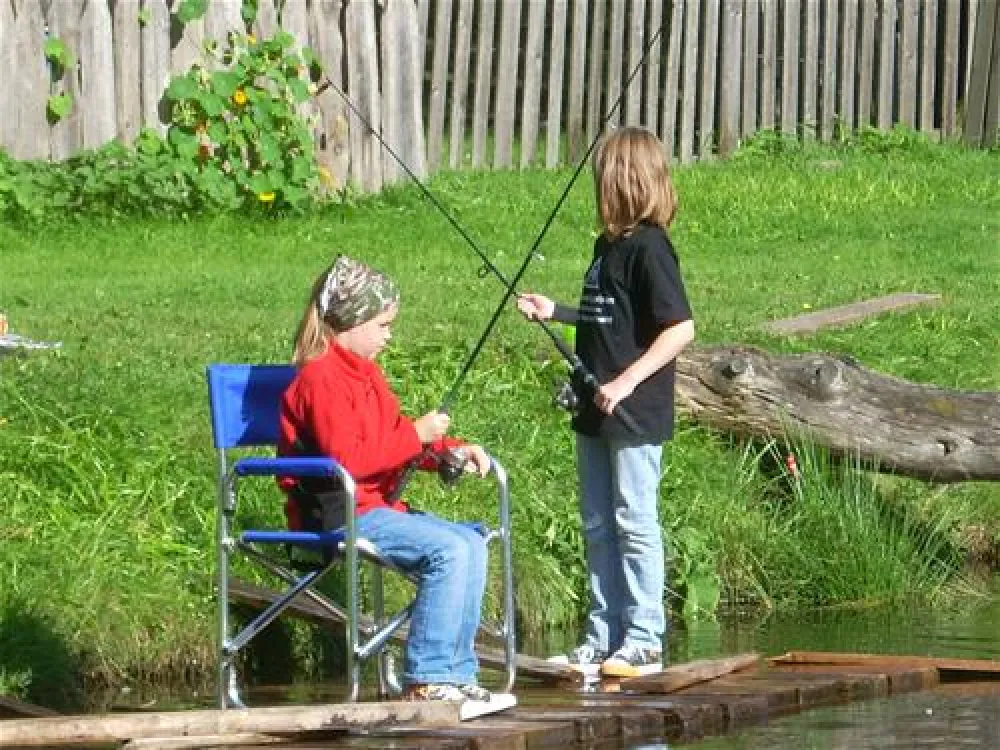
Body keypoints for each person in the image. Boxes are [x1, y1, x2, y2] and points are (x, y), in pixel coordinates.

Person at [517, 126, 695, 679]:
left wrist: (626, 382)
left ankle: (643, 639)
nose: (597, 188)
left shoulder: (650, 249)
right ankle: (603, 636)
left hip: (633, 412)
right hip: (595, 409)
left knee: (634, 521)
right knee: (597, 522)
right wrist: (557, 312)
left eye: (603, 178)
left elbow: (679, 329)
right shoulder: (608, 247)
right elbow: (608, 318)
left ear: (623, 183)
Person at [278, 254, 494, 703]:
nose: (389, 336)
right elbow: (349, 460)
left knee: (472, 542)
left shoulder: (366, 374)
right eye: (382, 325)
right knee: (449, 550)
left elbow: (393, 438)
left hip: (375, 507)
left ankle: (456, 673)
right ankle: (427, 679)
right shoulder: (321, 379)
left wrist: (449, 450)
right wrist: (416, 435)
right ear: (351, 322)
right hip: (338, 514)